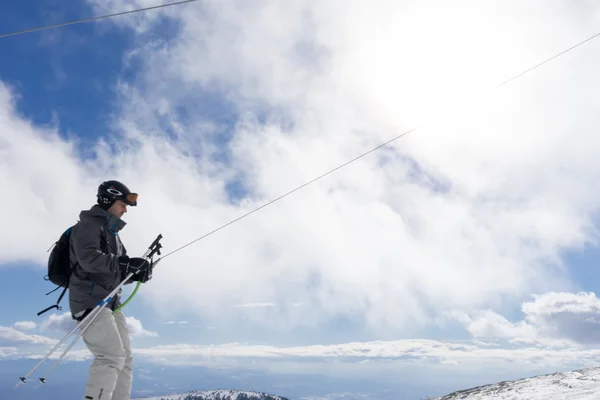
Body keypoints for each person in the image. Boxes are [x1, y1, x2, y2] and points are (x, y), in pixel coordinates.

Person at [68, 180, 153, 400]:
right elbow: (89, 260)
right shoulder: (87, 226)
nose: (126, 209)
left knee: (124, 359)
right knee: (110, 356)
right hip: (90, 302)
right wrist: (126, 264)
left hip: (110, 304)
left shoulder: (113, 234)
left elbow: (114, 270)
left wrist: (136, 273)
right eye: (122, 204)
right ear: (108, 200)